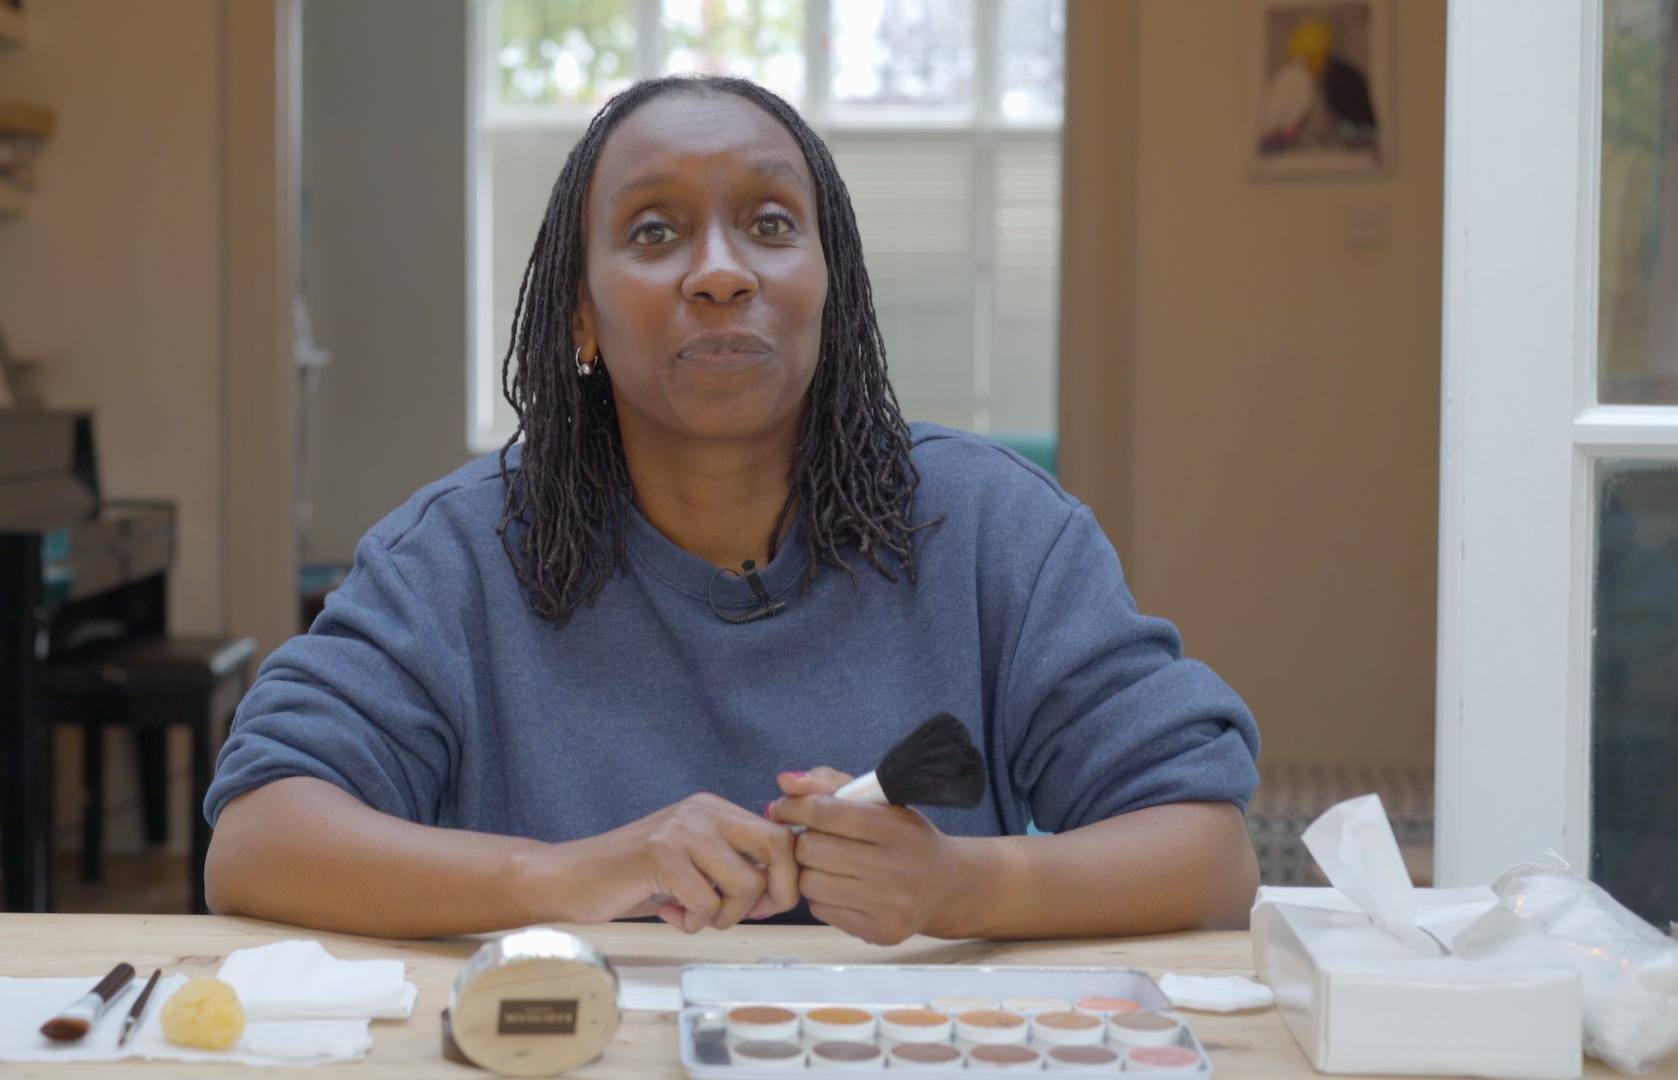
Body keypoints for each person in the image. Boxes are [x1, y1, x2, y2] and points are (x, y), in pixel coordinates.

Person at [203, 75, 1260, 944]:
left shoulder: (996, 531)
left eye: (767, 224)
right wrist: (575, 874)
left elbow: (1208, 857)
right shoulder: (455, 556)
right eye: (655, 231)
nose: (720, 273)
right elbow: (258, 843)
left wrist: (958, 888)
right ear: (581, 312)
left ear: (829, 286)